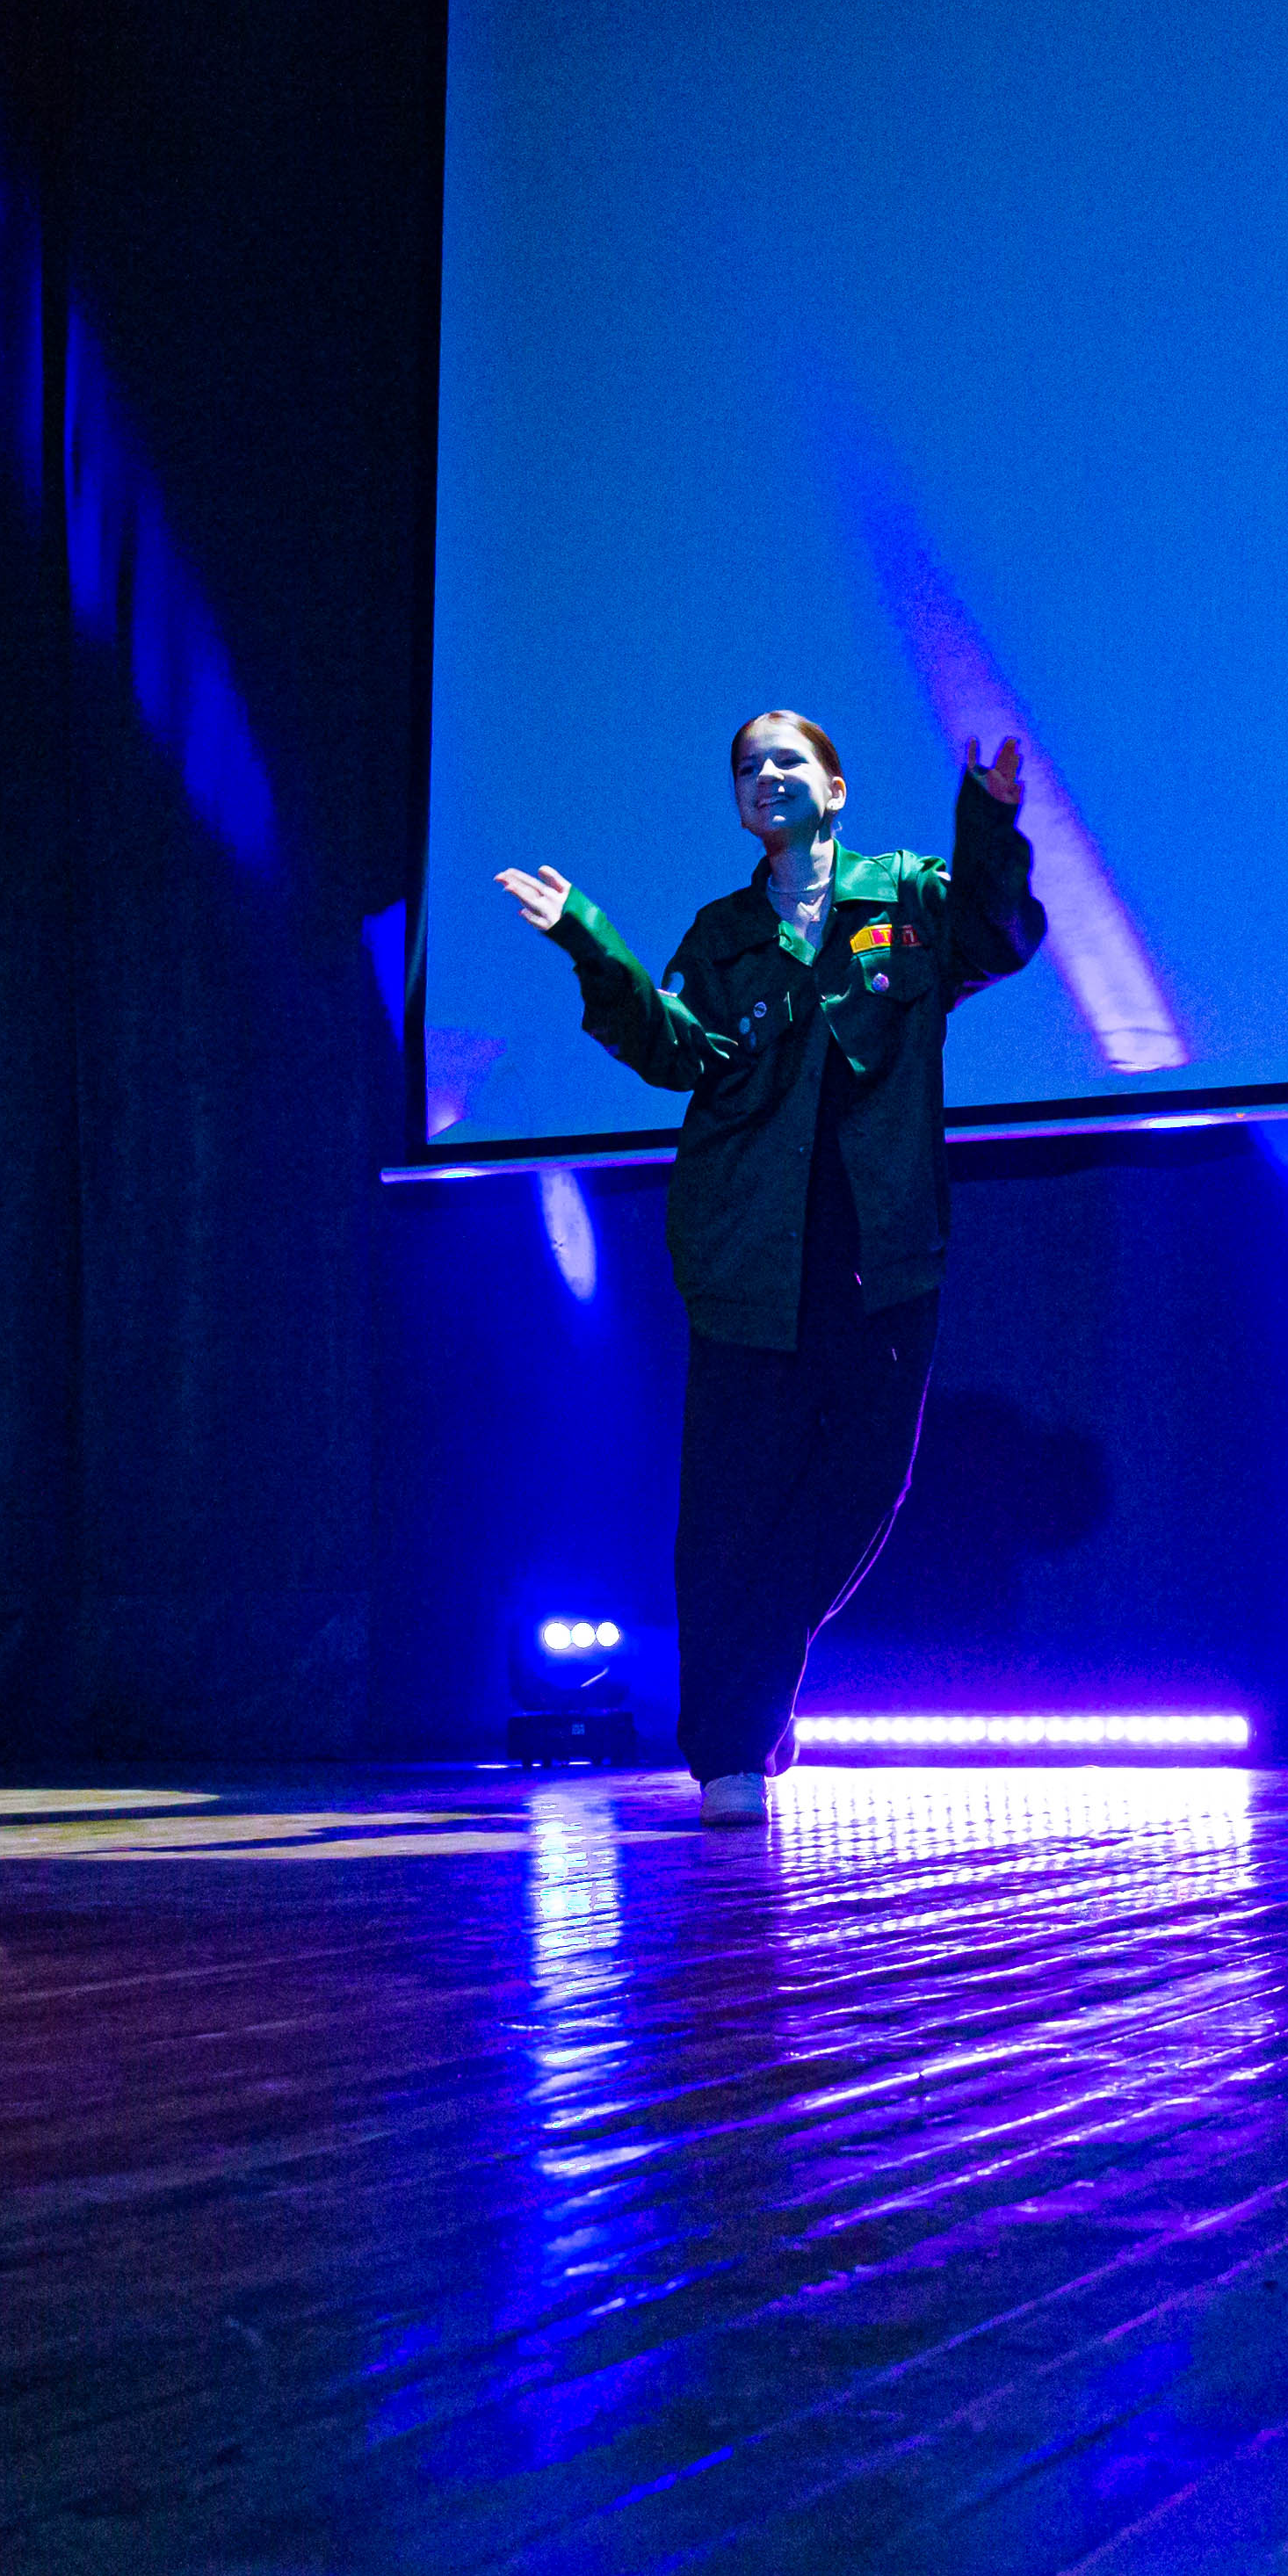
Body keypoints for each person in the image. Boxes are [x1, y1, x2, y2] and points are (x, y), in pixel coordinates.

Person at [497, 714, 1042, 1825]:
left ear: (834, 789)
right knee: (730, 1512)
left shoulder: (908, 896)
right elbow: (673, 1050)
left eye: (788, 760)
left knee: (865, 1485)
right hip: (747, 1251)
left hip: (884, 1250)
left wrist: (987, 821)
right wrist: (588, 938)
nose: (767, 776)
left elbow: (999, 937)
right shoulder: (725, 933)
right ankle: (730, 1753)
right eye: (749, 766)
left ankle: (755, 1679)